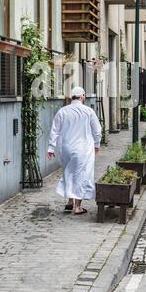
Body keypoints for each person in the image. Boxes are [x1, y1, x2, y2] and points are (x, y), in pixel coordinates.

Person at [47, 87, 102, 215]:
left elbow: (54, 130)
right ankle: (77, 207)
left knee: (68, 172)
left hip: (66, 147)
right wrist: (97, 144)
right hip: (83, 148)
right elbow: (97, 130)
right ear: (82, 96)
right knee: (82, 174)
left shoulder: (62, 111)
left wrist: (51, 147)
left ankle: (69, 202)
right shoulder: (88, 111)